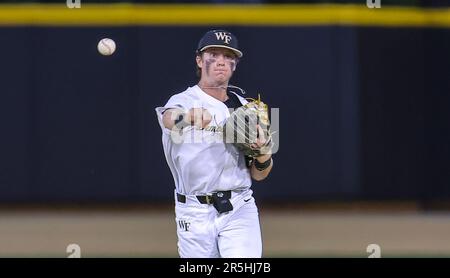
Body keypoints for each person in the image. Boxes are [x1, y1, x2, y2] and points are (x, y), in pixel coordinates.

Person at [155, 29, 274, 258]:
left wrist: (263, 154)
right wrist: (189, 117)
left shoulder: (247, 108)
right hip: (193, 211)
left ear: (235, 65)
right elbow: (167, 119)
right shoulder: (183, 100)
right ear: (199, 60)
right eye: (214, 54)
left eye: (228, 56)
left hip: (240, 205)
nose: (221, 61)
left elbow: (260, 174)